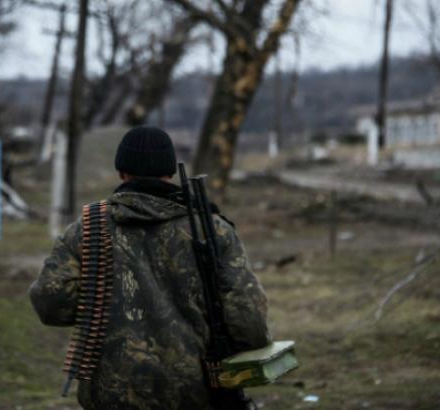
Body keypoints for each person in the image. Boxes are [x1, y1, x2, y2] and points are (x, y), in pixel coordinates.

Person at [29, 126, 270, 410]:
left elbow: (50, 302)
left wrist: (107, 301)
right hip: (196, 391)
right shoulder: (211, 230)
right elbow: (249, 320)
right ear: (169, 173)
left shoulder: (86, 230)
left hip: (109, 393)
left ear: (122, 173)